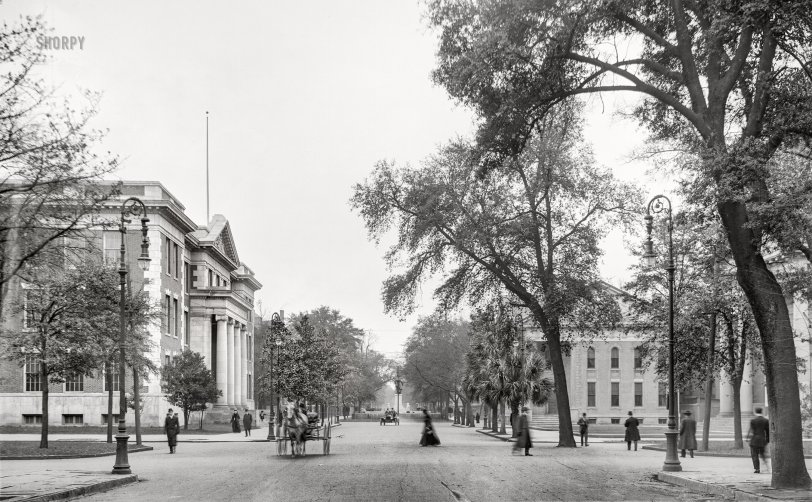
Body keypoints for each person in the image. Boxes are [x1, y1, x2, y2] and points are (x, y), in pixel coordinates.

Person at [747, 407, 770, 474]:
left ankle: (757, 469)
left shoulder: (753, 420)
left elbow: (752, 430)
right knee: (763, 454)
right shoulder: (765, 420)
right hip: (762, 440)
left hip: (754, 440)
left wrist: (748, 438)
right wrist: (768, 440)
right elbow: (767, 431)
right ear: (761, 412)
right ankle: (767, 467)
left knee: (754, 455)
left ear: (755, 412)